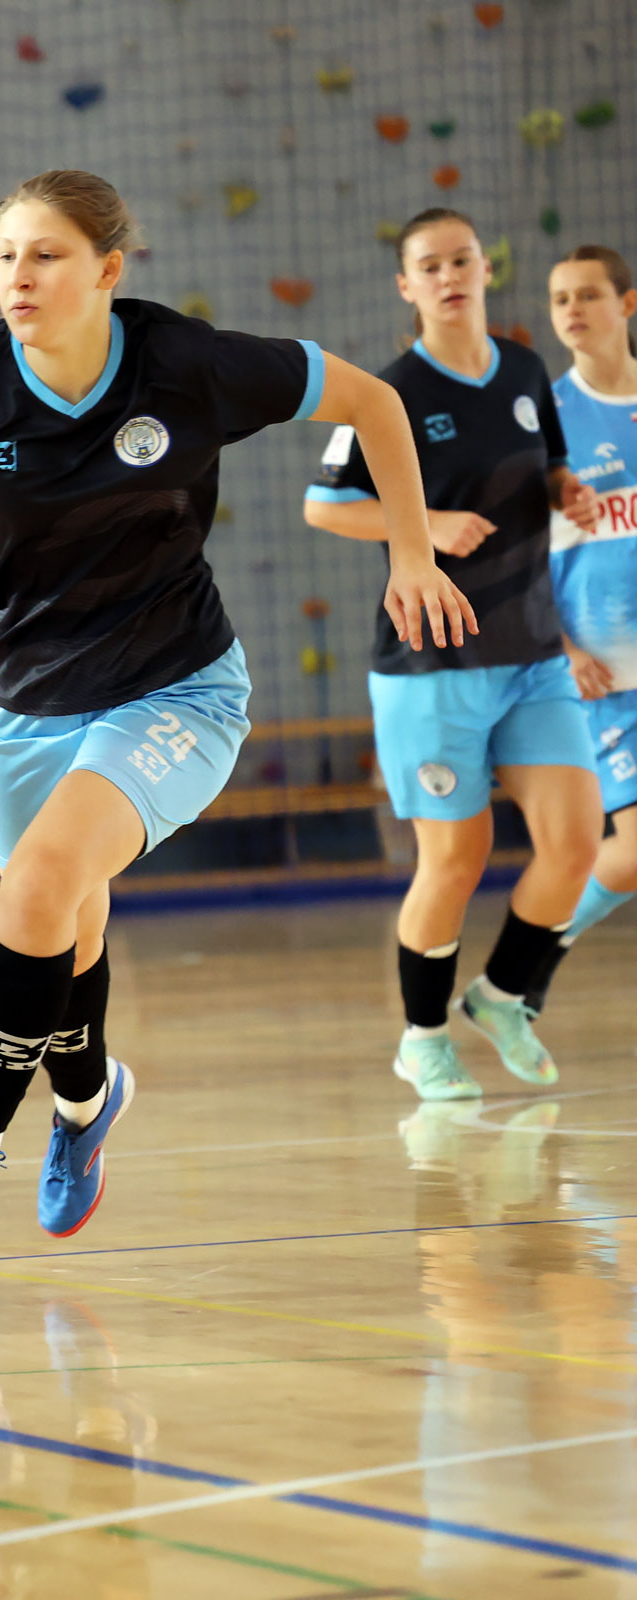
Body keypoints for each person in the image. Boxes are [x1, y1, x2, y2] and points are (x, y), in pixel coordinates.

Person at [0, 169, 469, 1244]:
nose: (19, 277)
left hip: (176, 684)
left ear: (107, 269)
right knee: (62, 927)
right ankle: (87, 1111)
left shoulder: (187, 363)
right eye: (6, 256)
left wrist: (409, 552)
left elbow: (372, 400)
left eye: (45, 255)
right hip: (24, 703)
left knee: (42, 881)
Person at [304, 208, 603, 1099]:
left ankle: (504, 994)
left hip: (535, 651)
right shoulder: (385, 392)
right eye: (428, 266)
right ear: (407, 286)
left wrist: (567, 488)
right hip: (432, 662)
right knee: (456, 860)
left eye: (462, 260)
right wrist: (422, 526)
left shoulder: (521, 367)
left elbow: (545, 462)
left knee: (575, 843)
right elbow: (324, 506)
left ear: (483, 269)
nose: (449, 276)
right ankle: (422, 1039)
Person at [525, 245, 637, 1011]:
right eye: (560, 297)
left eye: (588, 294)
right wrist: (562, 649)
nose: (571, 310)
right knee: (630, 851)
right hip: (605, 665)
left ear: (626, 305)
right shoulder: (548, 421)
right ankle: (523, 970)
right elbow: (520, 558)